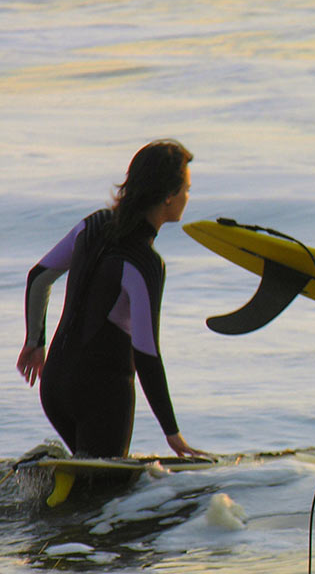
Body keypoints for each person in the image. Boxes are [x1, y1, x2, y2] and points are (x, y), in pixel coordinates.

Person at [16, 139, 205, 459]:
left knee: (86, 475)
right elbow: (146, 354)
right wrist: (173, 434)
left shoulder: (94, 225)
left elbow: (39, 277)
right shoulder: (145, 263)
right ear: (168, 196)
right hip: (100, 394)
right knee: (107, 495)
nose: (189, 196)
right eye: (186, 188)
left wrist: (35, 341)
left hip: (55, 383)